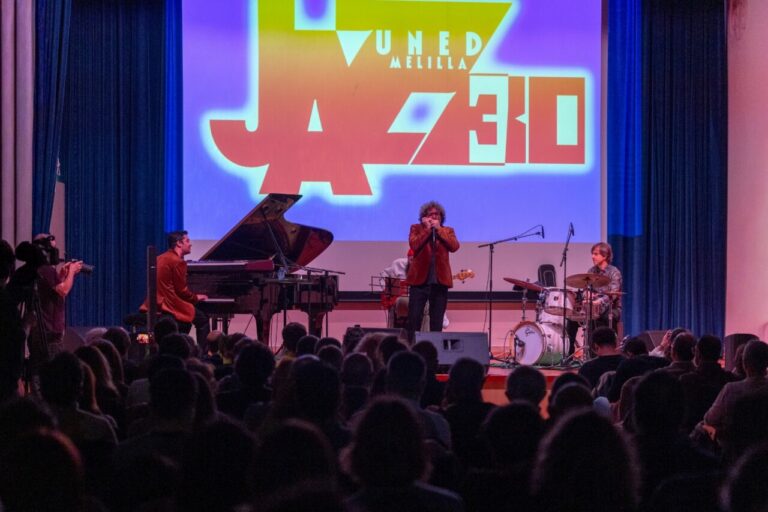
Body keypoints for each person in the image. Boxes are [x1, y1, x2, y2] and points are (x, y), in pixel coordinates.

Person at [8, 235, 83, 372]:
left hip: (39, 333)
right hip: (49, 335)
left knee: (39, 371)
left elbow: (49, 291)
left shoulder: (34, 270)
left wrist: (61, 275)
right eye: (52, 249)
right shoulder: (45, 269)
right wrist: (71, 272)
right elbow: (63, 290)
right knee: (50, 374)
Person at [141, 230, 209, 343]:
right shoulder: (178, 261)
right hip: (169, 304)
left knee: (189, 317)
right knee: (203, 320)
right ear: (179, 243)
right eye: (187, 241)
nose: (190, 243)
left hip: (154, 304)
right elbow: (182, 291)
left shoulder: (159, 258)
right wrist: (196, 297)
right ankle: (203, 355)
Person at [406, 201, 460, 339]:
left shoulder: (448, 231)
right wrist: (427, 229)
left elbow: (454, 246)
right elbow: (414, 245)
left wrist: (439, 230)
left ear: (441, 217)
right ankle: (412, 350)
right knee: (414, 320)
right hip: (419, 282)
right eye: (431, 214)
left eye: (437, 215)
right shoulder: (416, 228)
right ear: (424, 217)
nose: (434, 217)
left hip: (440, 283)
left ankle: (436, 353)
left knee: (436, 322)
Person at [567, 242, 622, 355]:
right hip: (591, 308)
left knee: (600, 317)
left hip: (611, 309)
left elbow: (613, 294)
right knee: (571, 320)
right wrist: (586, 294)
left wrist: (597, 301)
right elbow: (585, 289)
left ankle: (601, 353)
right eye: (592, 254)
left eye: (596, 254)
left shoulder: (614, 272)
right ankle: (569, 353)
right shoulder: (591, 271)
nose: (593, 256)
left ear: (605, 256)